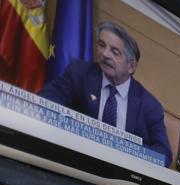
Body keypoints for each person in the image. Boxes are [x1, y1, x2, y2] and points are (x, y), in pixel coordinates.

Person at [38, 20, 172, 166]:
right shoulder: (79, 72)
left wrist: (122, 148)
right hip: (74, 162)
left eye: (115, 52)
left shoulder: (149, 105)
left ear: (131, 66)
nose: (105, 54)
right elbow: (46, 100)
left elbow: (163, 156)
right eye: (102, 45)